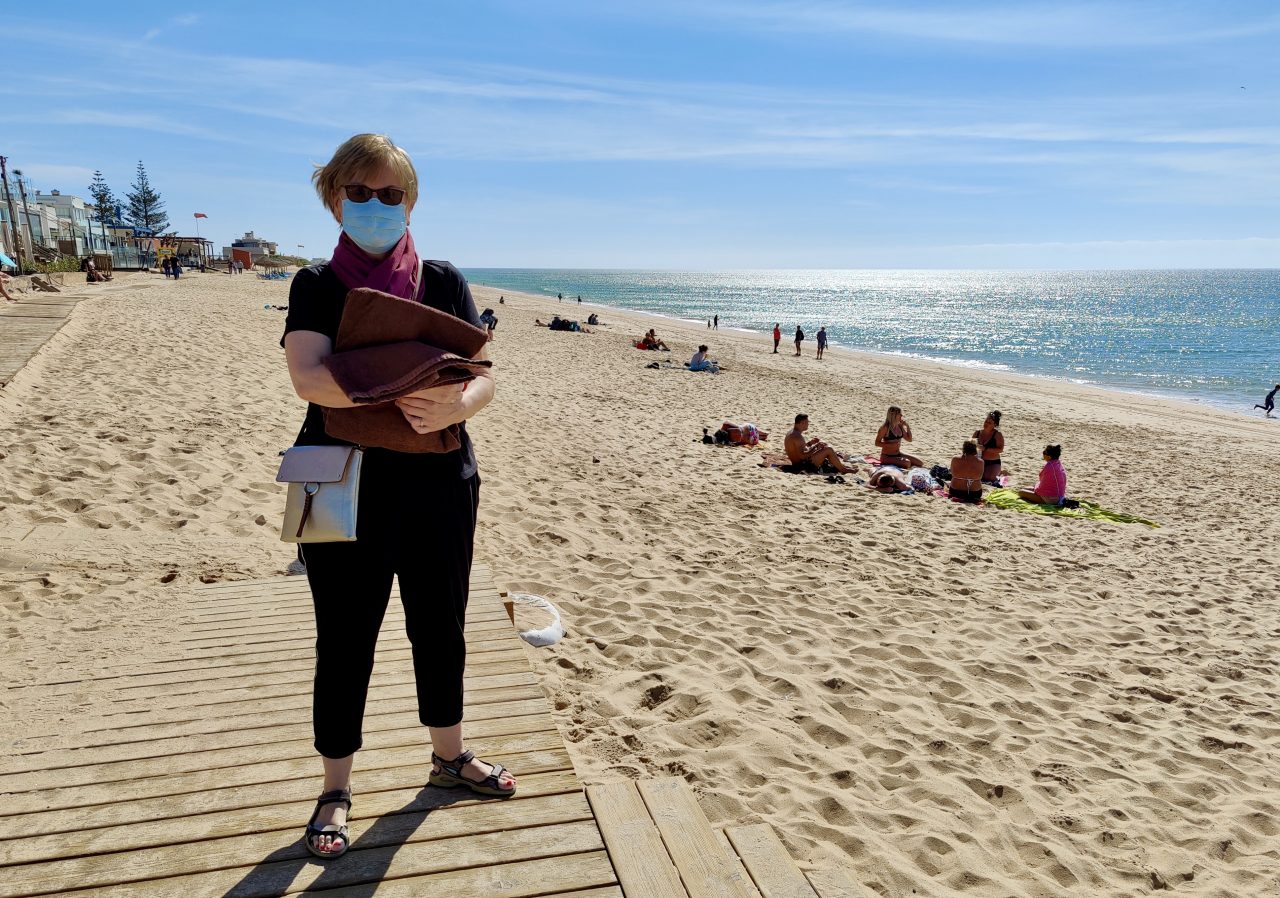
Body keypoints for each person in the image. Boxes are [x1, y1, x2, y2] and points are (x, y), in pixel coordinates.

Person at [281, 133, 512, 860]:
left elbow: (481, 372)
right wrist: (407, 383)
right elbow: (308, 379)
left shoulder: (443, 279)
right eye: (361, 192)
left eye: (392, 195)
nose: (377, 205)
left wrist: (459, 406)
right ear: (334, 197)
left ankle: (448, 756)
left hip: (441, 476)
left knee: (439, 625)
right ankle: (335, 787)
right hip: (333, 475)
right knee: (343, 637)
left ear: (410, 203)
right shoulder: (316, 283)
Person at [784, 414, 856, 474]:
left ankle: (841, 467)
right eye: (807, 422)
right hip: (802, 465)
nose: (808, 424)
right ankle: (843, 470)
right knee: (828, 450)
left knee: (825, 448)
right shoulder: (797, 436)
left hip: (798, 463)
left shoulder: (792, 433)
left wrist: (810, 443)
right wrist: (815, 447)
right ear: (802, 423)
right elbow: (802, 456)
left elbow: (798, 449)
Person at [973, 411, 1004, 483]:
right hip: (978, 461)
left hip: (992, 462)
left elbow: (1000, 449)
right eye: (986, 421)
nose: (986, 423)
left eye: (989, 423)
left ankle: (1000, 473)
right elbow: (971, 445)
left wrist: (985, 449)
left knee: (989, 479)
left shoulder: (997, 435)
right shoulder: (977, 432)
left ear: (995, 425)